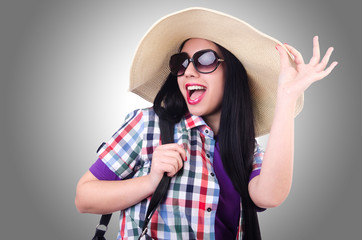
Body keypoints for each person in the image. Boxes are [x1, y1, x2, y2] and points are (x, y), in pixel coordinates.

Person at [75, 7, 337, 240]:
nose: (189, 70)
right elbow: (84, 197)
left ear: (232, 72)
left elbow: (270, 196)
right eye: (181, 62)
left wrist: (287, 96)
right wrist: (150, 181)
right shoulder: (147, 124)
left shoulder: (246, 148)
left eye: (205, 60)